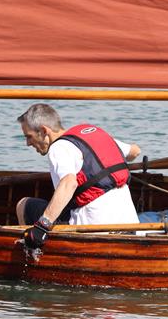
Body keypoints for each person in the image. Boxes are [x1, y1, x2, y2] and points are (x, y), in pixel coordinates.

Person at [16, 104, 141, 248]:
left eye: (29, 137)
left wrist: (42, 226)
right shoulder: (95, 134)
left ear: (44, 131)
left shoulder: (58, 148)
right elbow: (135, 151)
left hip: (95, 230)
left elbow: (69, 183)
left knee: (24, 205)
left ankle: (30, 254)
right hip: (130, 226)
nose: (27, 143)